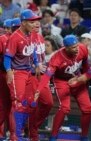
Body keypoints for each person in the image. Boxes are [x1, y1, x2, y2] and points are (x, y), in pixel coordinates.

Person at [34, 35, 91, 141]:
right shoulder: (57, 57)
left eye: (77, 46)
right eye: (73, 47)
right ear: (65, 47)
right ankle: (53, 136)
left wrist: (84, 80)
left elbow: (86, 66)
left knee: (88, 108)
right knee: (65, 108)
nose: (76, 49)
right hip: (61, 81)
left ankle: (84, 137)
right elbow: (47, 75)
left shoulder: (82, 48)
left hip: (77, 78)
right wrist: (39, 89)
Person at [4, 9, 41, 140]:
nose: (34, 24)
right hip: (17, 72)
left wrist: (37, 63)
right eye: (31, 21)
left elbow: (33, 51)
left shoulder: (31, 34)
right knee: (18, 103)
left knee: (29, 103)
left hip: (28, 72)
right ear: (24, 22)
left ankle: (21, 133)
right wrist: (8, 71)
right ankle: (15, 136)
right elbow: (7, 58)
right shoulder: (15, 37)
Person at [26, 18, 54, 141]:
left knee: (48, 103)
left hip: (41, 76)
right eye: (33, 21)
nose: (37, 23)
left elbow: (42, 60)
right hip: (29, 75)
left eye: (38, 21)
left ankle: (32, 126)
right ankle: (33, 135)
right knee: (33, 106)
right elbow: (20, 59)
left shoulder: (40, 37)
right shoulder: (25, 37)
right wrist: (33, 67)